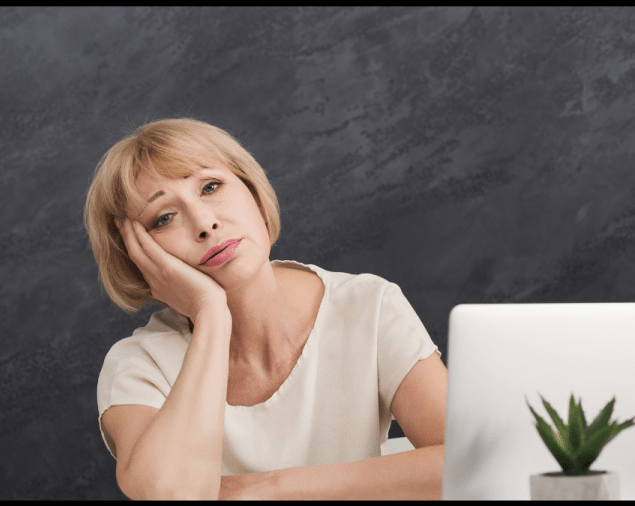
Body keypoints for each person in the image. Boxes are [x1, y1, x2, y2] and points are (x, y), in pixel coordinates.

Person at [84, 117, 448, 500]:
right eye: (165, 218)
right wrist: (210, 314)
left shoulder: (368, 305)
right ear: (138, 259)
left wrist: (268, 489)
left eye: (211, 186)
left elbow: (466, 461)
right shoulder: (138, 366)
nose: (205, 224)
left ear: (254, 194)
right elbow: (172, 495)